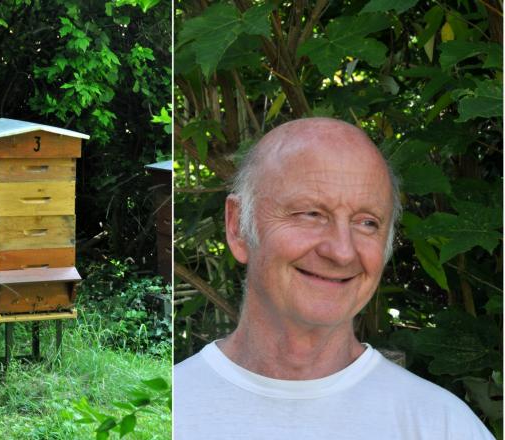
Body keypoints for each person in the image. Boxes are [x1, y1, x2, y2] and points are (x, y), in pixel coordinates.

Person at [173, 118, 494, 439]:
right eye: (310, 213)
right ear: (238, 227)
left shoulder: (441, 426)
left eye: (367, 222)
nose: (341, 251)